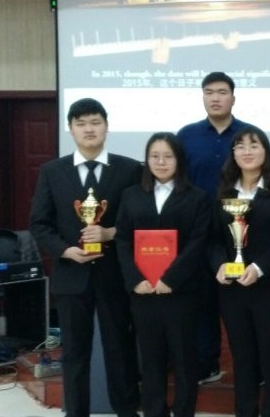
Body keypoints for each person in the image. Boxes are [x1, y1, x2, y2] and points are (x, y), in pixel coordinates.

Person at [28, 98, 142, 417]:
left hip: (115, 274)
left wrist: (110, 233)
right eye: (81, 124)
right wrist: (65, 250)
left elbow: (141, 220)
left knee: (120, 348)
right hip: (70, 274)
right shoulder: (52, 171)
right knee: (75, 352)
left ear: (106, 126)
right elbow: (39, 223)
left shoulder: (130, 169)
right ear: (71, 129)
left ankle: (127, 411)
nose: (89, 129)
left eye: (95, 122)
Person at [115, 132, 211, 417]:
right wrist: (135, 280)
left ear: (179, 160)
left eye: (168, 156)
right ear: (146, 160)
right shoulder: (131, 195)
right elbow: (122, 240)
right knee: (150, 360)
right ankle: (154, 411)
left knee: (184, 360)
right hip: (143, 292)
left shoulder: (197, 197)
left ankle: (183, 411)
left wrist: (171, 279)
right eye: (154, 156)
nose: (161, 162)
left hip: (181, 292)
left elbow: (198, 242)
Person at [210, 126, 270, 417]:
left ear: (266, 151)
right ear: (233, 153)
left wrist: (259, 268)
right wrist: (219, 264)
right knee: (242, 356)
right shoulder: (224, 192)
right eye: (240, 146)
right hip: (232, 290)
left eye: (254, 145)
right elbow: (213, 239)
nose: (247, 151)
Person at [177, 71, 254, 384]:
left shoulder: (249, 135)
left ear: (233, 98)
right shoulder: (186, 136)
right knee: (202, 298)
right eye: (209, 92)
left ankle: (250, 366)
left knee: (242, 299)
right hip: (197, 228)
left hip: (240, 228)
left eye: (222, 92)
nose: (215, 98)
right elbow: (178, 181)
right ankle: (207, 362)